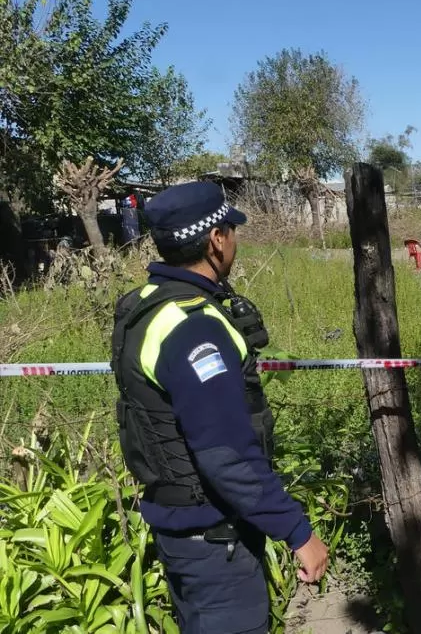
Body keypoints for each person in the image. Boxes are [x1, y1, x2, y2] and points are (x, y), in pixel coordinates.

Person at [110, 181, 330, 633]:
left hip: (184, 538)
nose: (235, 240)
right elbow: (226, 456)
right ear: (216, 240)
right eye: (231, 230)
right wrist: (298, 532)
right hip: (214, 549)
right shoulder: (195, 330)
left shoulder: (147, 306)